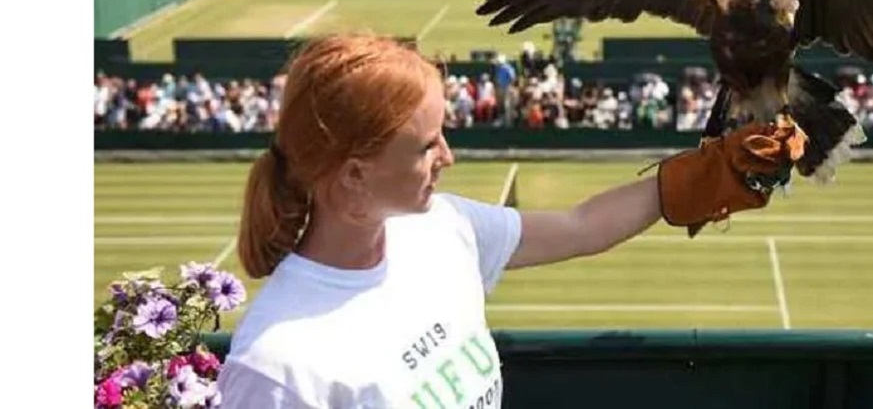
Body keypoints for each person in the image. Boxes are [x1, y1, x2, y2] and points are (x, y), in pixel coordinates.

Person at [216, 34, 806, 408]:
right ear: (353, 177)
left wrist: (701, 176)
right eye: (426, 147)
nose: (447, 156)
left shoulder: (441, 227)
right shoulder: (278, 368)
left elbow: (581, 227)